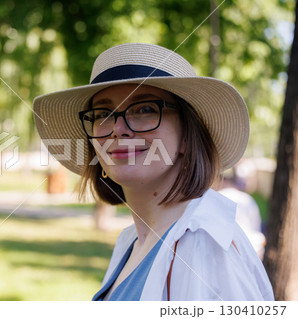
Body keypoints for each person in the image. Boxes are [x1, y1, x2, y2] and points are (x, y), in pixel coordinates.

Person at [33, 43, 274, 300]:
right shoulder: (131, 243)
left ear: (186, 138)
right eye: (103, 113)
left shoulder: (204, 244)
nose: (118, 129)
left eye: (144, 109)